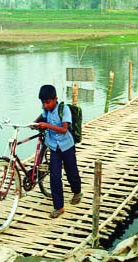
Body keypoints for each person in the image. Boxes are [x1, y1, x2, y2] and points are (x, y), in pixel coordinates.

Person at [35, 84, 82, 218]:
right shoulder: (46, 109)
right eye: (43, 103)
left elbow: (64, 129)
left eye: (48, 102)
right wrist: (35, 123)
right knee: (55, 176)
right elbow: (42, 116)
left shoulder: (64, 109)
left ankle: (77, 192)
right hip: (54, 147)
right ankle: (58, 207)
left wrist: (47, 125)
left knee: (71, 171)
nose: (45, 105)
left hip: (67, 145)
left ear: (55, 99)